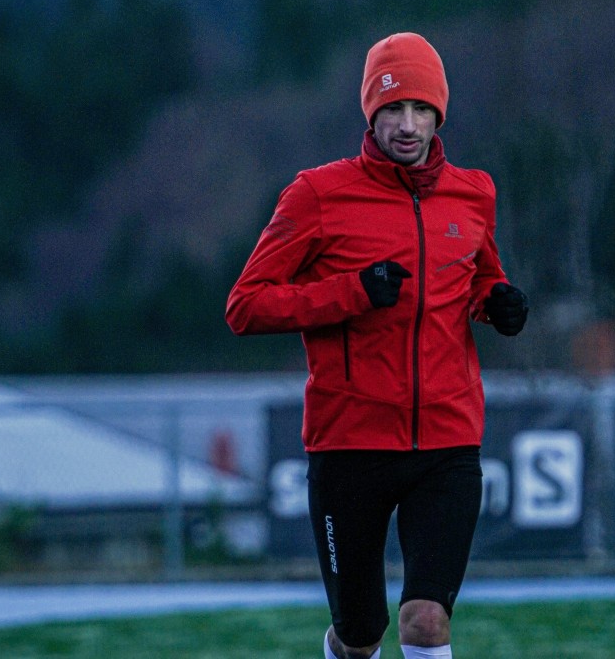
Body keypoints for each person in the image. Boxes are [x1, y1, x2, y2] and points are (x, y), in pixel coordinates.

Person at [226, 32, 528, 659]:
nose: (407, 125)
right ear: (370, 113)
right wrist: (352, 292)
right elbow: (245, 306)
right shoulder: (317, 194)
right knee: (361, 636)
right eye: (392, 108)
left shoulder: (475, 193)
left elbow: (477, 277)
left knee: (426, 620)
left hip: (448, 442)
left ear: (440, 114)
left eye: (421, 108)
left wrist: (496, 301)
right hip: (350, 444)